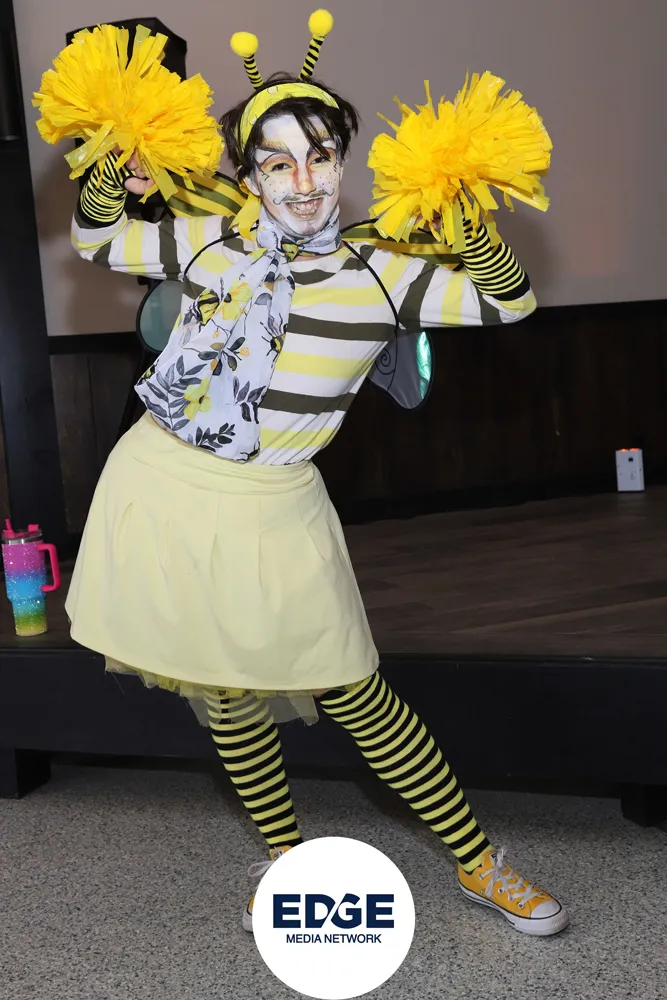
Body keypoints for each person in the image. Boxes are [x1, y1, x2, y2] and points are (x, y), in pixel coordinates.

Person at [65, 14, 568, 938]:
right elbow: (96, 239)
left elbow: (510, 301)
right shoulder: (210, 240)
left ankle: (479, 863)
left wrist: (467, 224)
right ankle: (287, 860)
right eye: (276, 162)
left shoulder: (381, 273)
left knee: (357, 692)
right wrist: (116, 167)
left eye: (320, 156)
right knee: (224, 691)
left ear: (343, 162)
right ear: (249, 174)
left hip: (276, 503)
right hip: (162, 485)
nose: (301, 181)